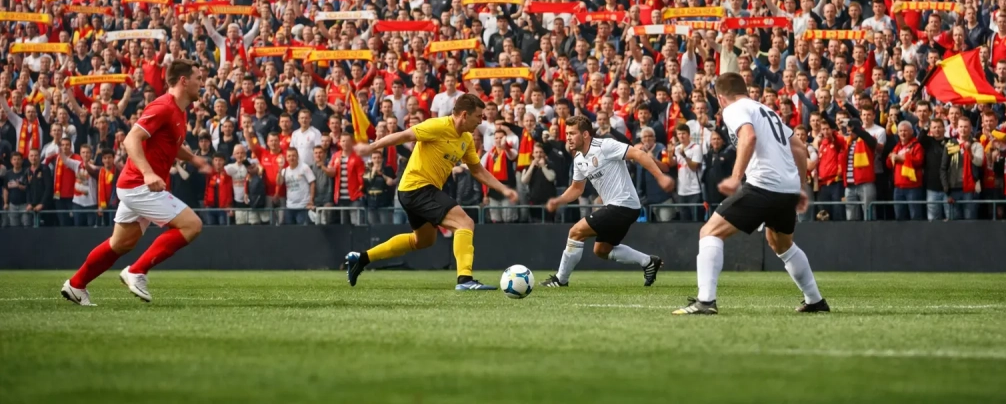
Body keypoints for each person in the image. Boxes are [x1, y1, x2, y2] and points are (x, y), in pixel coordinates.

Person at [676, 72, 828, 315]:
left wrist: (736, 177)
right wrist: (799, 187)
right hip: (785, 188)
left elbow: (749, 136)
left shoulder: (734, 108)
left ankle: (705, 301)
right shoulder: (768, 111)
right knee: (781, 244)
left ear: (720, 97)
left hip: (764, 185)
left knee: (709, 232)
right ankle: (815, 300)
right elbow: (799, 148)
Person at [61, 61, 210, 306]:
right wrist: (149, 173)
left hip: (136, 185)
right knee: (192, 226)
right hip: (140, 184)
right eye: (197, 78)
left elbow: (171, 144)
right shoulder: (162, 106)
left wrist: (193, 159)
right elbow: (131, 139)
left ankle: (76, 285)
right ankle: (136, 271)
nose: (201, 83)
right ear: (183, 80)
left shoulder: (179, 111)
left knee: (120, 243)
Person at [344, 94, 518, 291]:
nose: (481, 121)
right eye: (478, 116)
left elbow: (477, 170)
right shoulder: (437, 126)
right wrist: (372, 147)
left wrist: (503, 189)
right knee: (465, 223)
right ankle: (465, 280)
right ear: (463, 115)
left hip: (415, 191)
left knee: (424, 240)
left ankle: (361, 258)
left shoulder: (466, 139)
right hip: (417, 187)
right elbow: (404, 135)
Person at [541, 115, 673, 288]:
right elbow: (577, 188)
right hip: (618, 207)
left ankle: (560, 280)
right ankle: (648, 261)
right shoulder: (579, 159)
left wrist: (661, 178)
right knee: (602, 250)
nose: (568, 137)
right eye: (567, 134)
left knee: (576, 232)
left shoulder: (605, 146)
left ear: (586, 134)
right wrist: (559, 200)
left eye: (572, 133)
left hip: (623, 204)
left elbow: (638, 154)